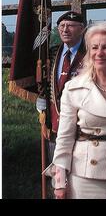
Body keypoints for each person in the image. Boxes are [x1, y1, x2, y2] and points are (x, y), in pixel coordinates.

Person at [44, 21, 106, 199]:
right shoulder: (74, 88)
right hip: (85, 175)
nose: (99, 53)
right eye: (94, 48)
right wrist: (60, 183)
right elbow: (64, 138)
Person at [42, 11, 86, 160]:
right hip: (55, 124)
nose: (65, 30)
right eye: (62, 26)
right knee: (56, 172)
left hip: (81, 126)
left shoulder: (90, 54)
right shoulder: (52, 53)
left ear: (82, 29)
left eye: (71, 26)